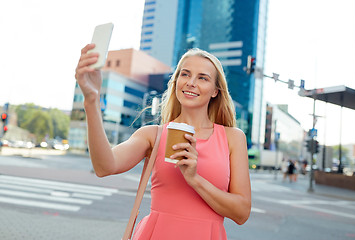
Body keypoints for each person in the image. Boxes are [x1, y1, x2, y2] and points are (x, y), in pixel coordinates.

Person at [75, 44, 251, 239]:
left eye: (202, 78)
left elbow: (241, 213)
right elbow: (104, 167)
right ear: (176, 82)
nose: (191, 82)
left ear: (215, 91)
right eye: (185, 74)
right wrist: (91, 100)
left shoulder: (233, 138)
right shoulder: (153, 135)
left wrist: (195, 179)